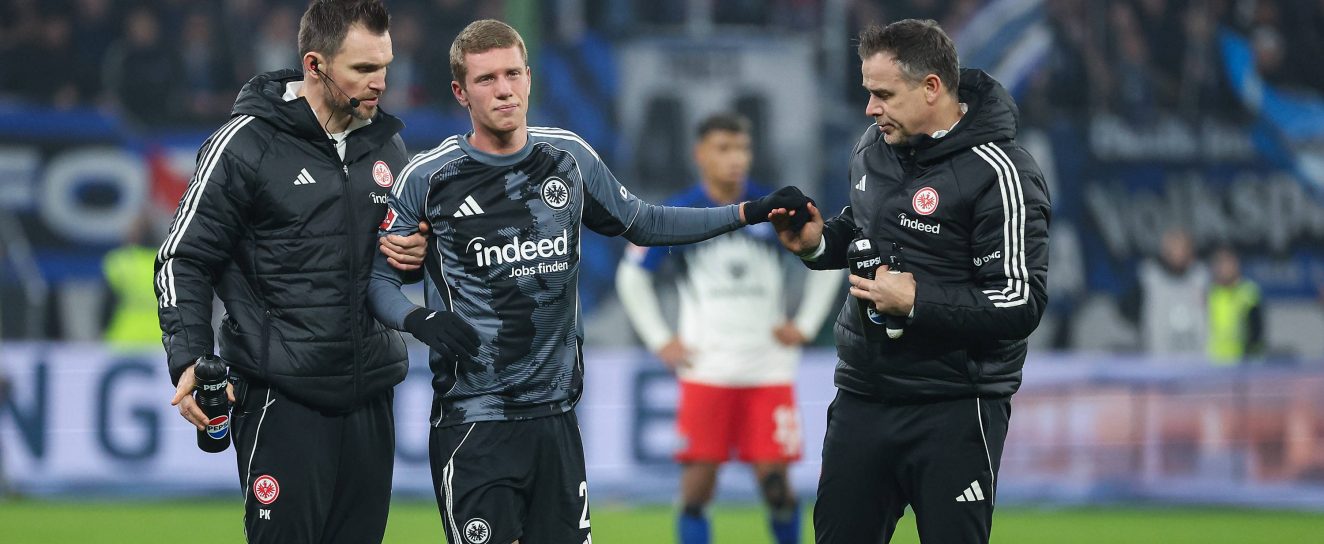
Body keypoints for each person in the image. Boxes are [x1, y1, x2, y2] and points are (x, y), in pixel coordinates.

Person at [366, 19, 812, 544]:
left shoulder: (568, 158)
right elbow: (379, 282)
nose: (504, 90)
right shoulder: (428, 177)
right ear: (461, 93)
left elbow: (645, 222)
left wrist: (747, 211)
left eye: (513, 74)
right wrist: (419, 319)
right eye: (486, 79)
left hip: (556, 418)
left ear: (529, 78)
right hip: (473, 422)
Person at [154, 1, 430, 542]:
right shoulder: (246, 144)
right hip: (281, 396)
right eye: (363, 69)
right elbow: (184, 256)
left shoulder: (387, 146)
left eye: (384, 66)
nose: (380, 83)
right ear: (314, 64)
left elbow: (393, 270)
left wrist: (414, 255)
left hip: (371, 395)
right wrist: (188, 356)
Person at [770, 20, 1050, 544]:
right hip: (863, 393)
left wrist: (917, 300)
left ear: (931, 88)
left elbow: (1020, 299)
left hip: (954, 404)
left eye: (883, 95)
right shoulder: (874, 145)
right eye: (868, 93)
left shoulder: (1002, 173)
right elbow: (867, 230)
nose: (870, 109)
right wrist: (817, 243)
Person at [615, 112, 844, 544]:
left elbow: (829, 254)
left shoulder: (773, 209)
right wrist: (660, 339)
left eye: (742, 148)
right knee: (696, 492)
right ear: (700, 154)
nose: (736, 158)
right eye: (724, 149)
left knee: (777, 490)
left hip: (767, 370)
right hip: (707, 370)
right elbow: (631, 276)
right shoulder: (679, 213)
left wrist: (806, 323)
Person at [1121, 227, 1210, 355]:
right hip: (1159, 360)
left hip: (1198, 360)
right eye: (1173, 247)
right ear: (1164, 251)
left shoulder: (1202, 277)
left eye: (1183, 247)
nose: (1178, 253)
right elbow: (1127, 310)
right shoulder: (1149, 278)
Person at [1207, 246, 1264, 364]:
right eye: (1220, 263)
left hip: (1242, 360)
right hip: (1212, 360)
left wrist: (1251, 357)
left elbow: (1256, 330)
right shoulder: (1210, 292)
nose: (1224, 268)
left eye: (1228, 263)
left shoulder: (1248, 292)